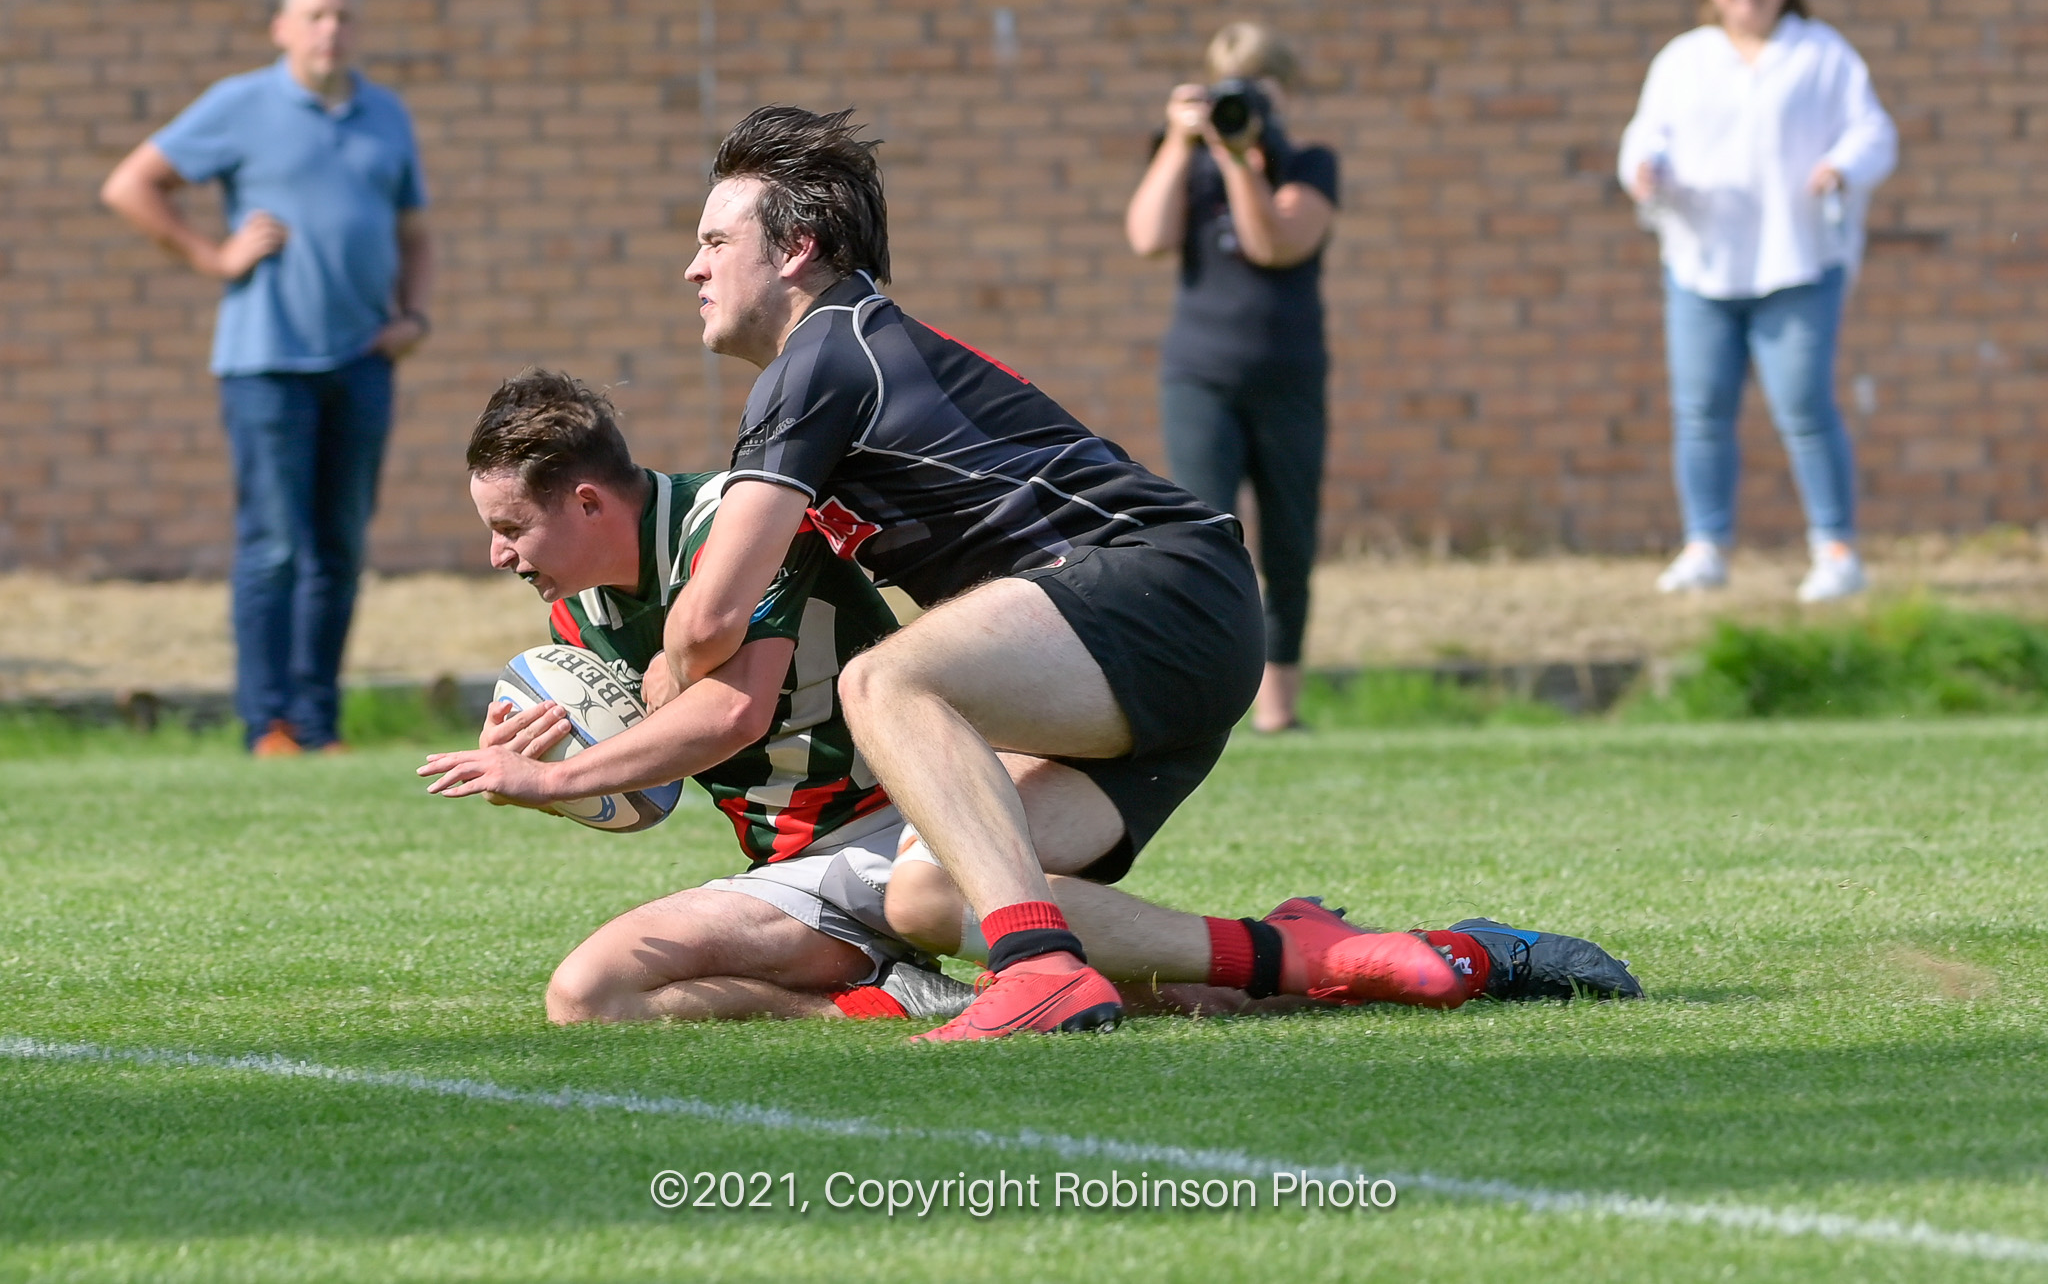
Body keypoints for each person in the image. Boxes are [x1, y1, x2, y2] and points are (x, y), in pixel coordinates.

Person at [659, 104, 1456, 1042]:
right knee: (930, 893)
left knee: (889, 678)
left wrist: (645, 698)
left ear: (796, 247)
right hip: (1166, 633)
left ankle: (1040, 974)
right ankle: (1294, 955)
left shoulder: (818, 355)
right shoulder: (844, 352)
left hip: (1156, 587)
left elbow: (709, 622)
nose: (694, 267)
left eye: (716, 239)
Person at [419, 370, 1560, 1024]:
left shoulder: (728, 519)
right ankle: (886, 999)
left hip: (911, 809)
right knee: (590, 996)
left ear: (584, 500)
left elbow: (730, 715)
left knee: (932, 898)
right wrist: (558, 775)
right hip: (797, 872)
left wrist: (558, 771)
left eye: (510, 528)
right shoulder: (574, 608)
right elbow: (659, 786)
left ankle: (1260, 960)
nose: (499, 557)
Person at [100, 0, 433, 754]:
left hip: (361, 362)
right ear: (283, 28)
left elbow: (415, 235)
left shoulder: (385, 115)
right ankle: (267, 723)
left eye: (344, 16)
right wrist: (212, 257)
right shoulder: (239, 105)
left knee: (339, 546)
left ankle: (318, 723)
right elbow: (131, 185)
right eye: (315, 15)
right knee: (275, 544)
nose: (331, 30)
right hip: (265, 364)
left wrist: (414, 316)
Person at [1620, 0, 1896, 603]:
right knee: (1701, 410)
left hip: (1798, 262)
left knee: (1803, 406)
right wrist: (1645, 171)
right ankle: (1705, 544)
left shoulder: (1820, 53)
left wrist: (1841, 166)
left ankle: (1835, 548)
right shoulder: (1685, 60)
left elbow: (1874, 133)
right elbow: (1642, 139)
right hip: (1703, 264)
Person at [1123, 23, 1339, 732]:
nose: (1244, 104)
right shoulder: (1186, 159)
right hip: (1200, 374)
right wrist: (1183, 142)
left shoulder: (1309, 163)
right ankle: (1203, 703)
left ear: (1285, 94)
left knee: (1288, 541)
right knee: (1206, 539)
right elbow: (1148, 237)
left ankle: (1279, 711)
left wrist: (1242, 158)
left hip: (1288, 376)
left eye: (1259, 90)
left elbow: (1271, 244)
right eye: (1231, 90)